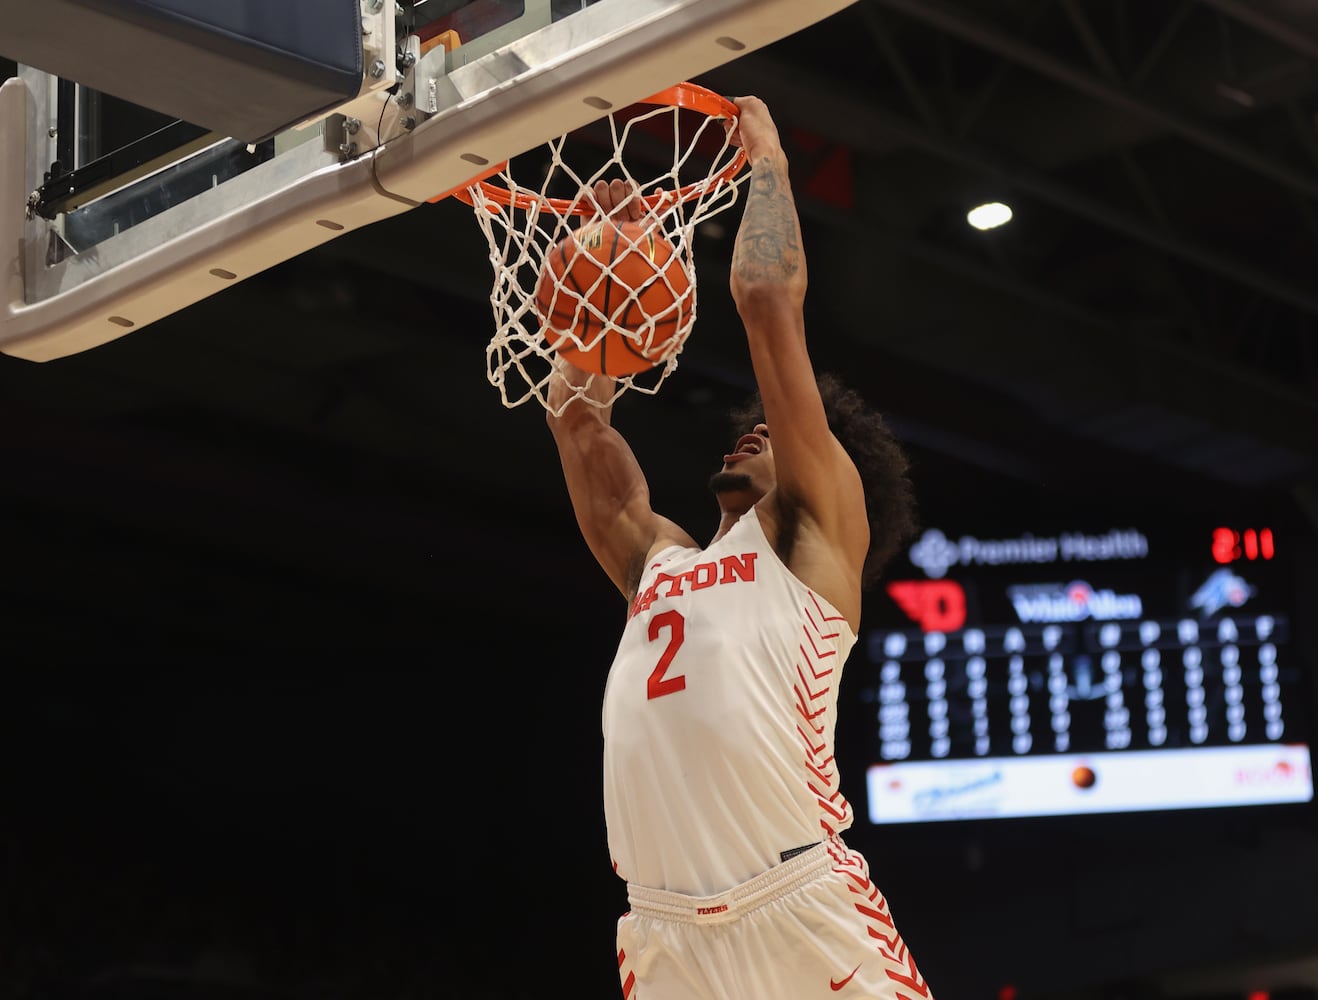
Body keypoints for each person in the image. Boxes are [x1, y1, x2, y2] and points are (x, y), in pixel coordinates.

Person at [544, 95, 928, 999]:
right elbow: (576, 425)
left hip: (798, 903)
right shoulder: (660, 563)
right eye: (747, 427)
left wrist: (767, 166)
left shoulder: (814, 545)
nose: (755, 432)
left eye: (777, 433)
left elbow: (764, 302)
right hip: (666, 931)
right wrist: (598, 281)